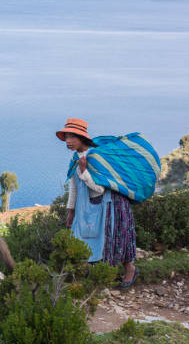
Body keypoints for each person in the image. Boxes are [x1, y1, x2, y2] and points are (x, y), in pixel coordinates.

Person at [56, 118, 138, 288]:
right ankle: (97, 276)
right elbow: (74, 187)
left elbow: (100, 189)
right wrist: (70, 211)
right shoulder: (75, 159)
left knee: (113, 238)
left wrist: (85, 172)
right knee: (87, 238)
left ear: (82, 138)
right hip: (89, 205)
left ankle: (130, 270)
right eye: (67, 137)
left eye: (72, 137)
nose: (68, 141)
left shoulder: (96, 157)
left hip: (111, 204)